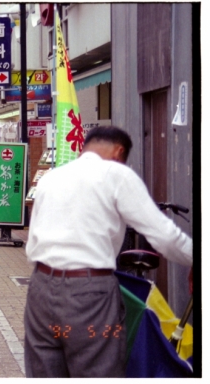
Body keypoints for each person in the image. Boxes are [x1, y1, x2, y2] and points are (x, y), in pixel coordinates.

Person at [24, 126, 193, 378]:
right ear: (119, 152)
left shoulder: (51, 178)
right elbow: (165, 236)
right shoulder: (117, 174)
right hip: (89, 294)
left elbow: (34, 235)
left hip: (40, 290)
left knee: (45, 372)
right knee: (98, 369)